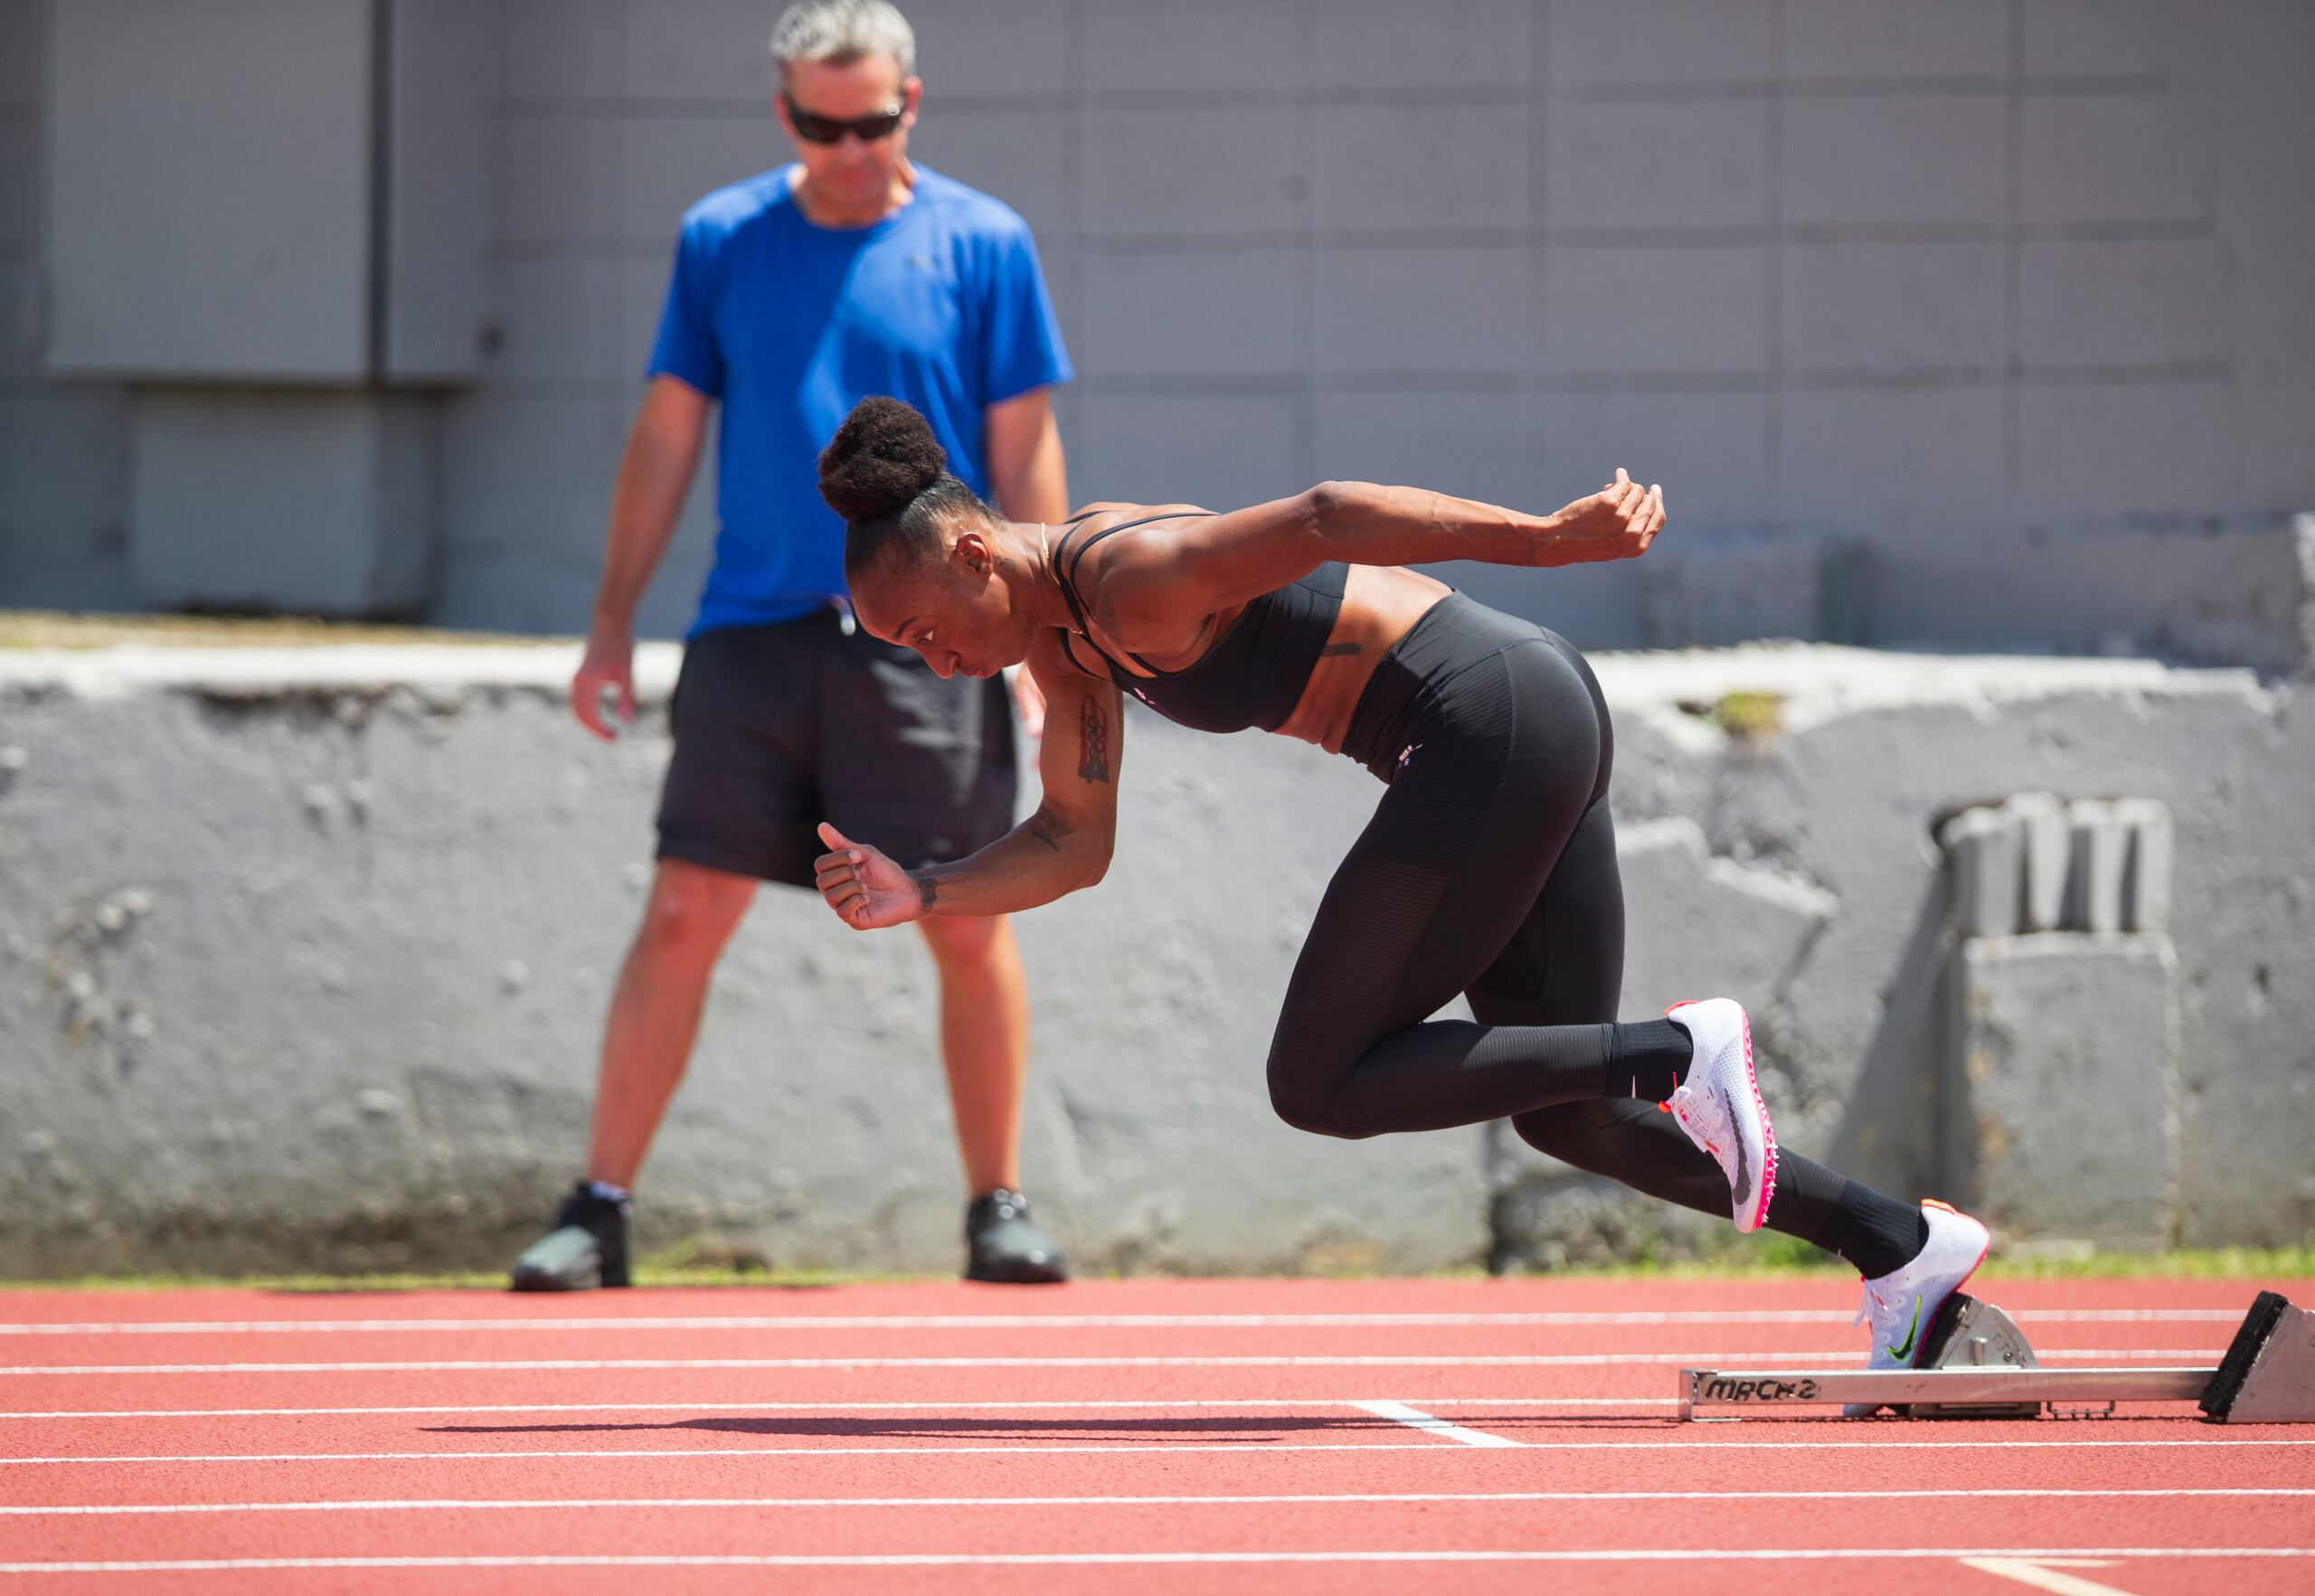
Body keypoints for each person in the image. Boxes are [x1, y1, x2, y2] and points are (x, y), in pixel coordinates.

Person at [805, 394, 1994, 1371]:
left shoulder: (1122, 576)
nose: (935, 662)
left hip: (1485, 719)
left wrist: (1542, 539)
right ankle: (1895, 1244)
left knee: (1318, 1076)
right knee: (1570, 1107)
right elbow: (1076, 842)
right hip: (1521, 720)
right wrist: (925, 889)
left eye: (921, 631)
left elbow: (1323, 518)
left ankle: (1681, 1052)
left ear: (971, 552)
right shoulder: (1067, 648)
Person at [512, 0, 1074, 1290]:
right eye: (824, 126)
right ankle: (597, 1210)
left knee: (964, 917)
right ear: (786, 116)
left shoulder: (985, 243)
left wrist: (1045, 645)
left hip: (929, 645)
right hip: (753, 633)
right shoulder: (722, 239)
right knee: (683, 907)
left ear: (911, 105)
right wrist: (609, 625)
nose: (851, 146)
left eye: (873, 122)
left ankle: (999, 1203)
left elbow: (1025, 449)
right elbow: (664, 438)